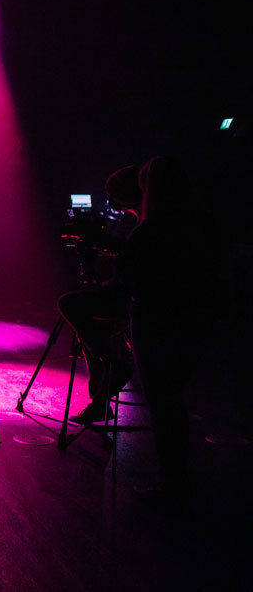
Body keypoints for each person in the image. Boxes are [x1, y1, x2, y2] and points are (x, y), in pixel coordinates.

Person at [124, 156, 218, 503]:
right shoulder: (201, 228)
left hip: (154, 326)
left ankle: (172, 487)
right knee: (174, 403)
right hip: (192, 326)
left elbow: (128, 281)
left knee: (163, 405)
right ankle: (179, 481)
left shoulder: (148, 233)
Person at [58, 165, 141, 424]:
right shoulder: (149, 223)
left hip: (133, 300)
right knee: (88, 332)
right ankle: (101, 396)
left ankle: (114, 358)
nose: (112, 201)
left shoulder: (147, 227)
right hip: (131, 295)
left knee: (69, 304)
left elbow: (132, 264)